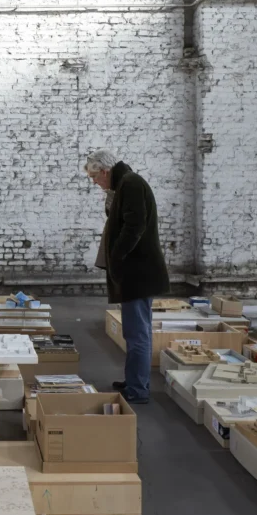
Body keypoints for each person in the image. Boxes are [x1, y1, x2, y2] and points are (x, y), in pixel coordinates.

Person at [85, 150, 169, 405]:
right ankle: (134, 381)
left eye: (94, 176)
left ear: (105, 171)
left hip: (137, 272)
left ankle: (138, 388)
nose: (94, 182)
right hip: (134, 271)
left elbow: (135, 226)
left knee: (137, 333)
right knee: (135, 331)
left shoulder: (131, 183)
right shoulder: (124, 185)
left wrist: (118, 257)